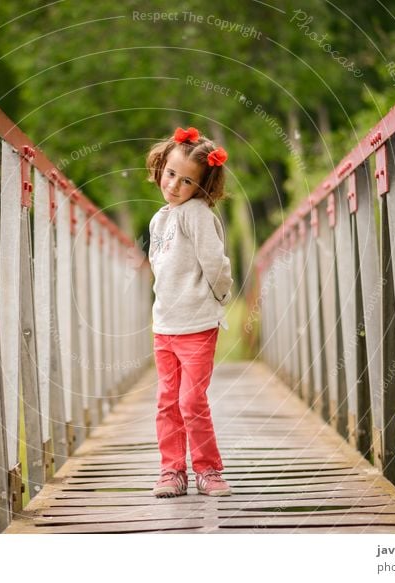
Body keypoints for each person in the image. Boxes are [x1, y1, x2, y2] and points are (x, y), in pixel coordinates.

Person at [145, 126, 234, 498]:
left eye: (186, 181)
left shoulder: (196, 214)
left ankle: (207, 470)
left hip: (196, 325)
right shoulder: (159, 219)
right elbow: (159, 267)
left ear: (201, 188)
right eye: (170, 174)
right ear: (160, 166)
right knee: (167, 401)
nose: (174, 185)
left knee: (190, 400)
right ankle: (172, 471)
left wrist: (219, 298)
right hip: (165, 325)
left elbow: (215, 263)